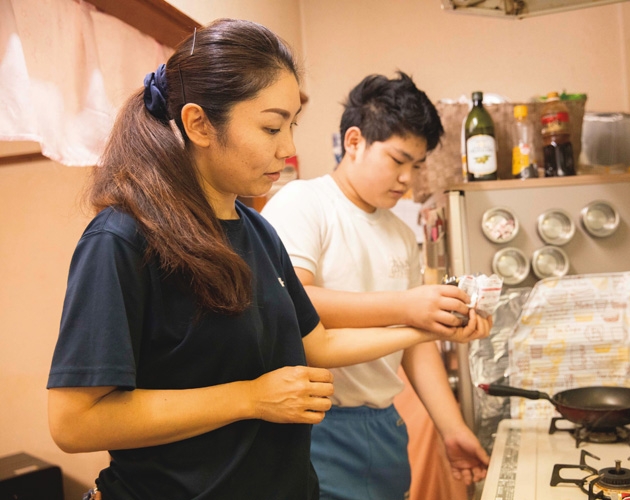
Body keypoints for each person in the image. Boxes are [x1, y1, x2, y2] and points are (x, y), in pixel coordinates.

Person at [46, 21, 488, 500]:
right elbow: (75, 423)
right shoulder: (124, 238)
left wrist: (429, 328)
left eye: (291, 126)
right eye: (272, 127)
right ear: (198, 124)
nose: (289, 148)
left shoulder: (256, 231)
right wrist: (250, 398)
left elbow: (316, 343)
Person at [261, 71, 491, 500]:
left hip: (385, 425)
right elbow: (294, 302)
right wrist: (408, 306)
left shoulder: (401, 233)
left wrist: (453, 428)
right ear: (354, 141)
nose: (407, 178)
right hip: (316, 425)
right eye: (398, 160)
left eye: (417, 166)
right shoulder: (303, 203)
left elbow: (414, 346)